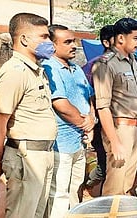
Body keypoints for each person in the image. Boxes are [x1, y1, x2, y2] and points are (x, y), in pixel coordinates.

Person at [0, 13, 57, 217]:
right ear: (24, 39)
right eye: (44, 37)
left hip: (43, 154)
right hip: (26, 156)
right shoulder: (15, 71)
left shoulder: (36, 70)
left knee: (36, 213)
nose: (49, 42)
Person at [42, 24, 95, 217]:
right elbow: (60, 104)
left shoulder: (76, 68)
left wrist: (92, 119)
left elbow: (87, 97)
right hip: (60, 143)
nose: (74, 45)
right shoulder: (49, 67)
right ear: (53, 45)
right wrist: (86, 123)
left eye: (74, 41)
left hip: (79, 142)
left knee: (76, 188)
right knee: (59, 193)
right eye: (67, 42)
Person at [92, 18, 137, 195]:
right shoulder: (106, 64)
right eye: (136, 38)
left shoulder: (132, 60)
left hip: (135, 129)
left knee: (127, 183)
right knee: (114, 186)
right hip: (119, 130)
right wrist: (114, 141)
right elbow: (103, 107)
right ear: (121, 38)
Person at [83, 25, 115, 188]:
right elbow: (86, 98)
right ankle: (89, 185)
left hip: (120, 126)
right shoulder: (93, 67)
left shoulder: (128, 64)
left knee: (113, 167)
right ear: (106, 43)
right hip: (100, 125)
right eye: (118, 39)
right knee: (105, 165)